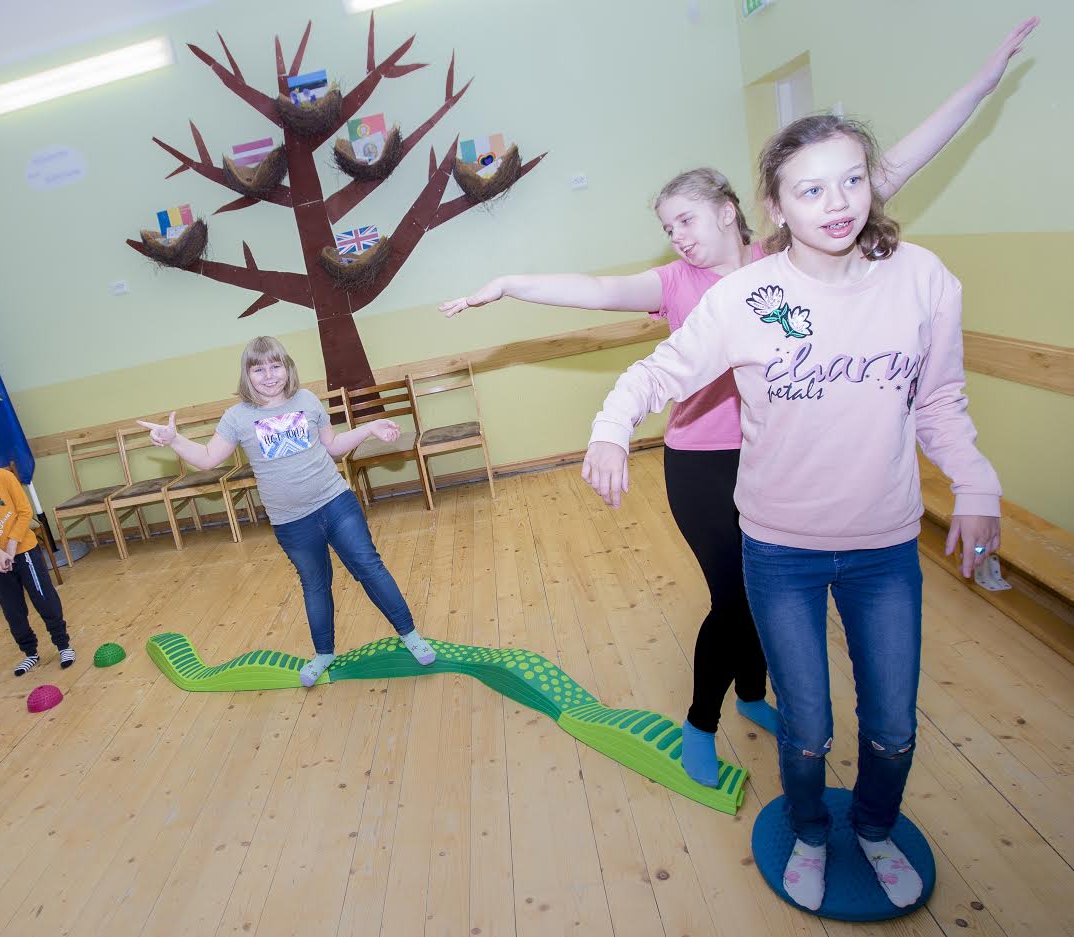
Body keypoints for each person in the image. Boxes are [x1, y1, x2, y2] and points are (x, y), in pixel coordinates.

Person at [438, 17, 1036, 790]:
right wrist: (511, 283)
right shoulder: (679, 287)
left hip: (774, 455)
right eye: (665, 228)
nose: (676, 236)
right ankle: (706, 718)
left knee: (762, 609)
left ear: (731, 209)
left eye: (684, 219)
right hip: (701, 461)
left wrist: (979, 87)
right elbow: (592, 294)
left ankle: (755, 694)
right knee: (736, 598)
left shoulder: (787, 253)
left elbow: (887, 170)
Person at [582, 112, 1002, 911]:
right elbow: (658, 370)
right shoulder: (746, 295)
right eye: (811, 189)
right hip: (780, 552)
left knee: (893, 724)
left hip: (884, 550)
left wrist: (975, 484)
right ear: (776, 208)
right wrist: (609, 428)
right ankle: (810, 831)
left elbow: (940, 400)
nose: (837, 201)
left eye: (851, 179)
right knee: (806, 725)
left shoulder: (923, 279)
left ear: (871, 183)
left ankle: (875, 829)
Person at [139, 336, 436, 686]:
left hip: (336, 503)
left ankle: (410, 635)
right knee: (315, 585)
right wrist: (173, 439)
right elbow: (207, 459)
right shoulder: (237, 417)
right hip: (292, 523)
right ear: (246, 375)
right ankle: (324, 652)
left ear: (288, 367)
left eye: (275, 365)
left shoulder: (306, 399)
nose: (269, 375)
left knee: (369, 567)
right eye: (258, 368)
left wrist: (369, 428)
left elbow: (334, 447)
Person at [0, 428, 75, 676]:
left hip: (24, 552)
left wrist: (10, 546)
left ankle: (63, 645)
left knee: (44, 599)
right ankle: (30, 653)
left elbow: (24, 512)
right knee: (12, 609)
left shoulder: (6, 478)